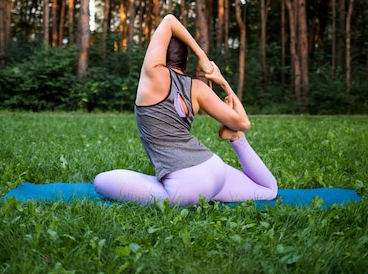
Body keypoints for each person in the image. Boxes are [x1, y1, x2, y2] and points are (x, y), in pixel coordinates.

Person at [94, 15, 277, 206]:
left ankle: (172, 191)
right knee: (269, 190)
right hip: (213, 169)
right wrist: (221, 80)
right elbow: (243, 122)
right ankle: (235, 137)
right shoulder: (198, 87)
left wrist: (203, 57)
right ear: (186, 59)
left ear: (157, 53)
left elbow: (169, 20)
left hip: (185, 189)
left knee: (101, 181)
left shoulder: (152, 74)